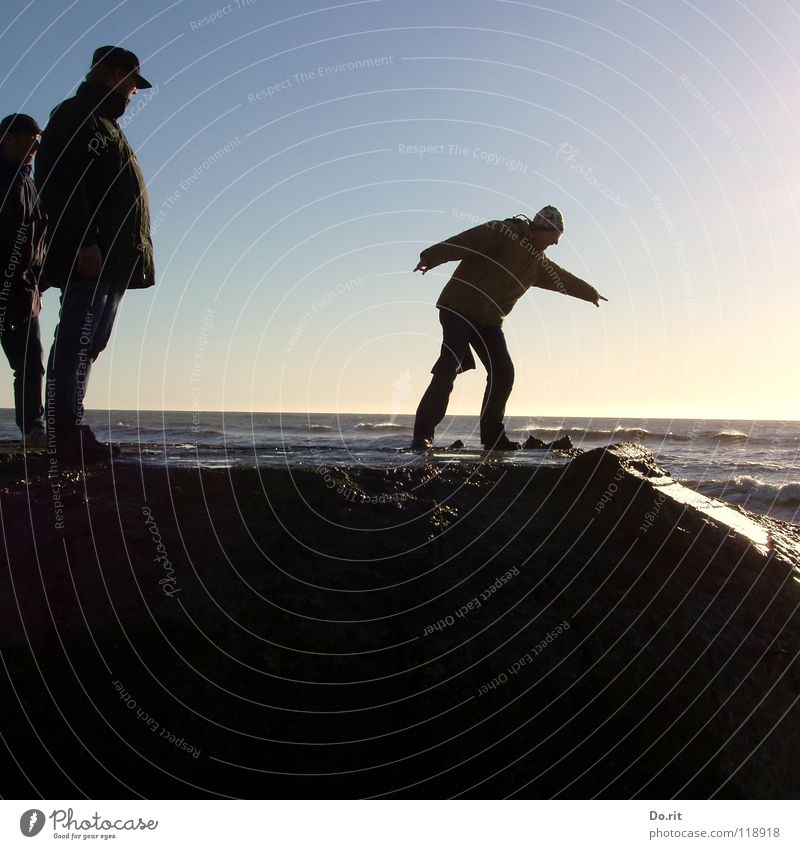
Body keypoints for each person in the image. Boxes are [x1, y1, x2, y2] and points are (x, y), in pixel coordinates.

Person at [35, 46, 154, 463]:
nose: (133, 94)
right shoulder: (76, 115)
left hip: (111, 257)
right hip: (92, 253)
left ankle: (70, 429)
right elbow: (59, 181)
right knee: (76, 339)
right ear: (117, 75)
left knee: (89, 342)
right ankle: (63, 435)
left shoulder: (101, 121)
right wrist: (85, 241)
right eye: (134, 86)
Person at [411, 206, 607, 450]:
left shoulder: (538, 264)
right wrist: (431, 256)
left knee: (503, 372)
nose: (556, 243)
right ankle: (423, 435)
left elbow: (564, 279)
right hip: (459, 307)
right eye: (554, 236)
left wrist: (590, 293)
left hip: (489, 321)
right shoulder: (503, 232)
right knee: (448, 366)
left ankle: (493, 437)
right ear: (542, 228)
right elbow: (466, 241)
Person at [0, 113, 47, 448]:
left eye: (37, 141)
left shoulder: (29, 183)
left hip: (23, 287)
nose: (34, 146)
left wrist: (38, 283)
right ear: (8, 138)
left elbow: (38, 237)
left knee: (30, 362)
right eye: (29, 139)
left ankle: (33, 429)